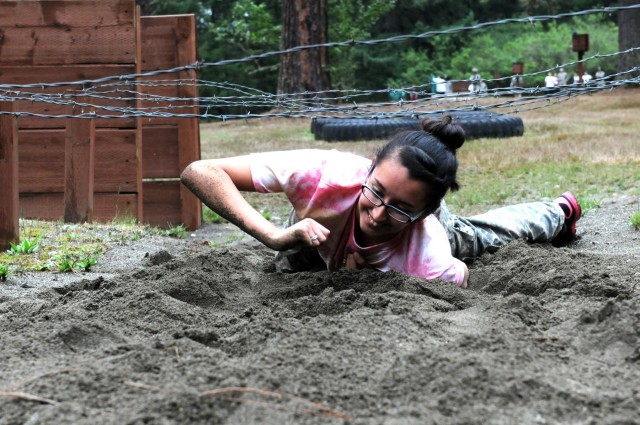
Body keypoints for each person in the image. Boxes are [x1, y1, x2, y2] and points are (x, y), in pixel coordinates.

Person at [181, 115, 582, 289]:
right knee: (289, 263)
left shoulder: (428, 250)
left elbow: (458, 277)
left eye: (396, 208)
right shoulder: (324, 173)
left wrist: (377, 276)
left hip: (422, 236)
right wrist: (271, 235)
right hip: (313, 233)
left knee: (478, 236)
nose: (376, 213)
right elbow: (200, 171)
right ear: (369, 169)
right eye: (375, 192)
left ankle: (557, 211)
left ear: (425, 213)